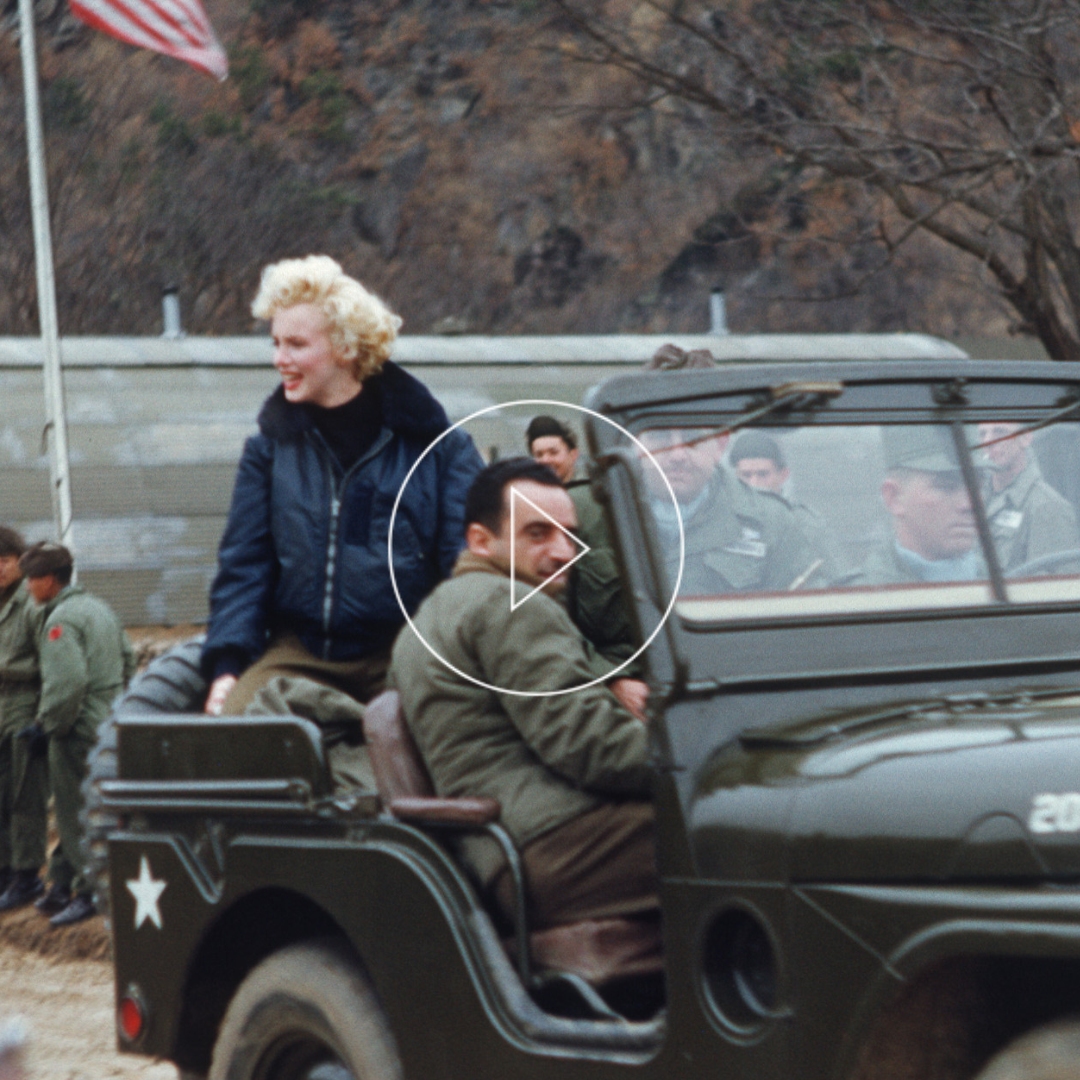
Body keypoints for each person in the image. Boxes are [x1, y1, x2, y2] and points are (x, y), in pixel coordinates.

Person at [200, 256, 483, 716]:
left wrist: (453, 662)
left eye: (295, 344)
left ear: (346, 348)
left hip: (404, 653)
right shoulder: (268, 452)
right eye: (275, 343)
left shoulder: (443, 451)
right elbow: (244, 567)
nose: (279, 360)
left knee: (425, 751)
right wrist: (227, 667)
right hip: (303, 653)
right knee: (237, 733)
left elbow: (465, 570)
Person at [390, 459, 657, 932]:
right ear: (480, 540)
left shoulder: (432, 615)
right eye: (539, 534)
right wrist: (696, 758)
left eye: (569, 536)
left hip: (499, 856)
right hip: (554, 847)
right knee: (742, 834)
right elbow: (590, 747)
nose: (562, 552)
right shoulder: (511, 605)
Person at [19, 542, 136, 926]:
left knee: (75, 812)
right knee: (95, 806)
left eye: (33, 579)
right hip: (108, 720)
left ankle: (88, 893)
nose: (29, 587)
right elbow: (128, 661)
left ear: (50, 581)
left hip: (76, 727)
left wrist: (47, 727)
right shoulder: (99, 609)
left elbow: (67, 684)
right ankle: (62, 883)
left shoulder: (61, 621)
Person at [526, 415, 646, 714]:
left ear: (573, 454)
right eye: (538, 454)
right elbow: (547, 619)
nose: (545, 461)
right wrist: (613, 679)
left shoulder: (605, 505)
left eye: (553, 452)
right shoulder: (537, 516)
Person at [640, 426, 823, 595]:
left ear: (720, 444)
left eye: (693, 437)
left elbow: (807, 615)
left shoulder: (774, 523)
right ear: (635, 444)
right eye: (660, 436)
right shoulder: (614, 515)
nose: (677, 455)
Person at [856, 427, 984, 585]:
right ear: (894, 498)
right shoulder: (853, 600)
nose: (969, 504)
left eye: (976, 486)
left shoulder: (1011, 582)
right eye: (946, 487)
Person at [0, 529, 47, 913]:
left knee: (24, 793)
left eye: (4, 561)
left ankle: (27, 874)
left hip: (24, 701)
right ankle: (6, 868)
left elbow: (49, 663)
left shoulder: (31, 604)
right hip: (2, 703)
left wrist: (42, 717)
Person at [729, 429, 844, 577]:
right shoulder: (718, 522)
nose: (754, 483)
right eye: (746, 475)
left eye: (763, 474)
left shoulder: (807, 526)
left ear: (783, 475)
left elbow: (839, 581)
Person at [977, 421, 1080, 574]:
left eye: (999, 432)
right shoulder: (973, 499)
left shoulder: (1047, 507)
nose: (987, 442)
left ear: (1025, 438)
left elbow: (1055, 588)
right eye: (982, 434)